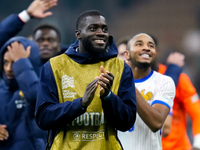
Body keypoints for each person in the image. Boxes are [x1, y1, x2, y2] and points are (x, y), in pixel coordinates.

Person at [35, 10, 137, 150]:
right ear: (78, 34)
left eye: (104, 29)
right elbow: (43, 118)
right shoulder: (54, 66)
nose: (101, 32)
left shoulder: (121, 68)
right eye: (93, 28)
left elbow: (127, 123)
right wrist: (80, 104)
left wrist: (108, 97)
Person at [117, 33, 176, 150]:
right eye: (139, 44)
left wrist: (128, 83)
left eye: (151, 46)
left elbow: (157, 123)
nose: (146, 48)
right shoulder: (113, 83)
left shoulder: (164, 82)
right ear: (127, 54)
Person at [0, 36, 46, 150]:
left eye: (15, 62)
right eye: (5, 62)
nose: (9, 68)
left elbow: (34, 95)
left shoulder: (46, 85)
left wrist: (21, 62)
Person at [160, 53, 200, 149]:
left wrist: (197, 144)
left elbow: (197, 113)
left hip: (177, 146)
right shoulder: (131, 81)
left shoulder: (180, 79)